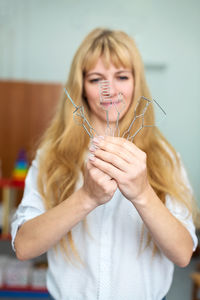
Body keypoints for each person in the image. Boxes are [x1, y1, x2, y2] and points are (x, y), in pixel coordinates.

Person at [11, 28, 198, 300]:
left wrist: (143, 193)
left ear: (137, 83)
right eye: (96, 79)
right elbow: (24, 247)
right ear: (82, 88)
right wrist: (87, 197)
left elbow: (183, 254)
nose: (110, 89)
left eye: (121, 76)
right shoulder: (52, 155)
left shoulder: (164, 157)